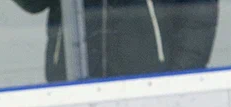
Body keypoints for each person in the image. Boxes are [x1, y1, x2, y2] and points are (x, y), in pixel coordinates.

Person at [12, 0, 219, 82]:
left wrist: (181, 76)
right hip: (71, 84)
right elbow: (33, 3)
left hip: (152, 83)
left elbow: (198, 16)